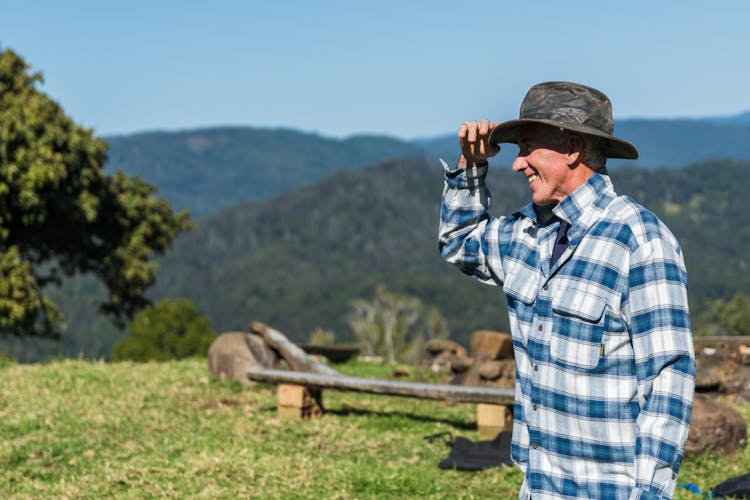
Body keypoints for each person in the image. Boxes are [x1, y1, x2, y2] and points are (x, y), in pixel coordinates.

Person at [439, 81, 695, 499]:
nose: (517, 165)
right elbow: (458, 242)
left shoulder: (640, 240)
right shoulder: (523, 233)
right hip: (539, 486)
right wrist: (470, 167)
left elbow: (668, 379)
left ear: (572, 147)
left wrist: (651, 493)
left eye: (527, 149)